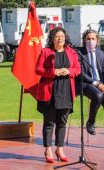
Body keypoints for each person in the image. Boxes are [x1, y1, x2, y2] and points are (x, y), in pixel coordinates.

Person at [35, 27, 81, 163]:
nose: (60, 38)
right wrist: (53, 72)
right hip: (50, 92)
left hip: (66, 90)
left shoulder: (71, 52)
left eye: (62, 36)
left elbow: (77, 69)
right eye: (57, 36)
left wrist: (69, 71)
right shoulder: (45, 52)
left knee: (62, 122)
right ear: (52, 39)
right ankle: (48, 149)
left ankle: (59, 149)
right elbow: (38, 69)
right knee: (49, 122)